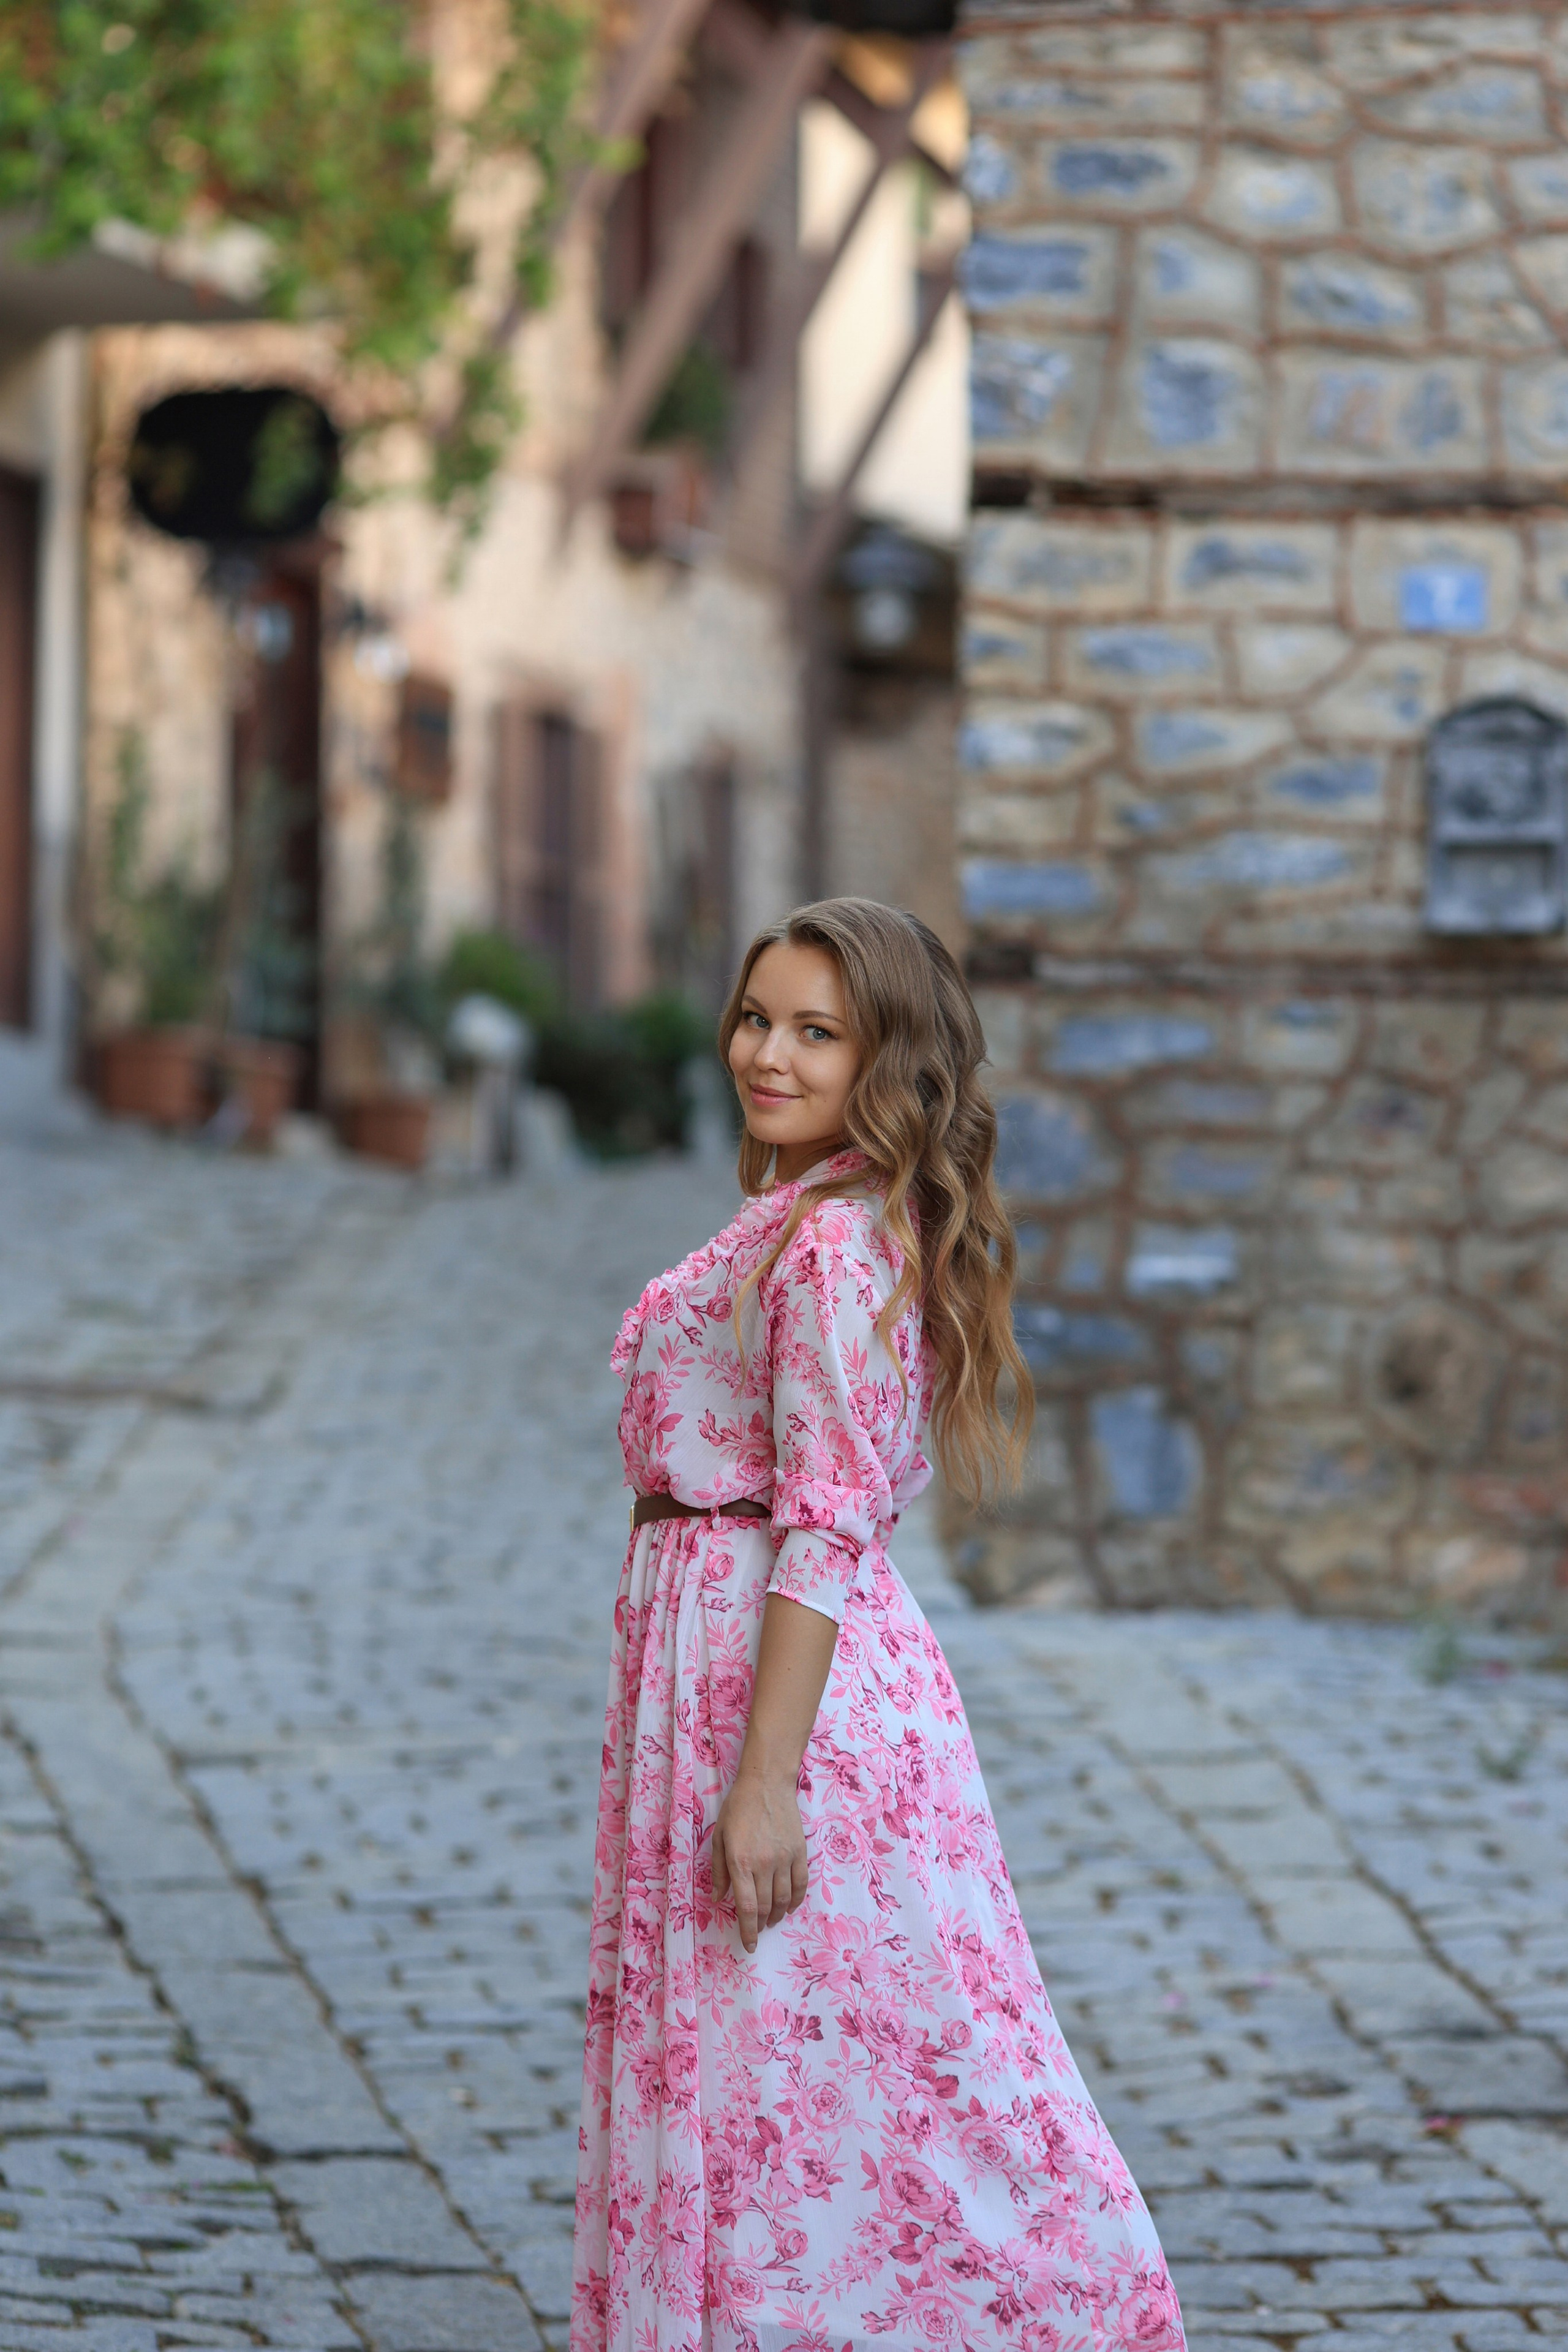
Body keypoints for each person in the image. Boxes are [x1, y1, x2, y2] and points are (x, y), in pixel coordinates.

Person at [571, 899, 1186, 2352]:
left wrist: (767, 1779)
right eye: (755, 1017)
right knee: (771, 2068)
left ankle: (1073, 2315)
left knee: (895, 2071)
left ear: (886, 1060)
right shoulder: (796, 1213)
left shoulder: (837, 1245)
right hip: (711, 1663)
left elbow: (827, 1519)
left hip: (790, 1699)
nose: (764, 1053)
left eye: (815, 1032)